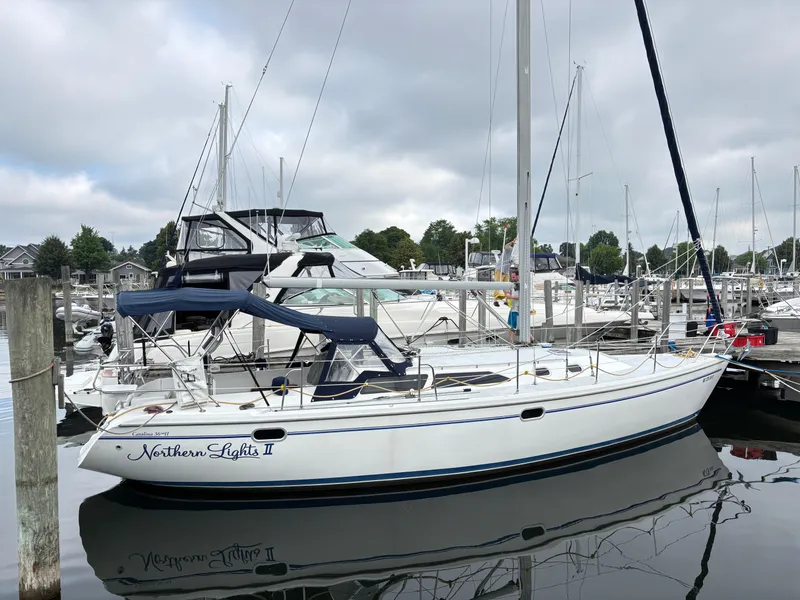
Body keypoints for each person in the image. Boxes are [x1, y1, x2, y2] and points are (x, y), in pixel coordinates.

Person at [508, 268, 520, 342]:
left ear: (518, 276)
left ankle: (511, 341)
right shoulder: (513, 285)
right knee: (511, 326)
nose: (512, 279)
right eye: (512, 277)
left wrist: (511, 297)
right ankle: (511, 341)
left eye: (513, 277)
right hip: (513, 308)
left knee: (513, 326)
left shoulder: (520, 285)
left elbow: (520, 297)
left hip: (517, 309)